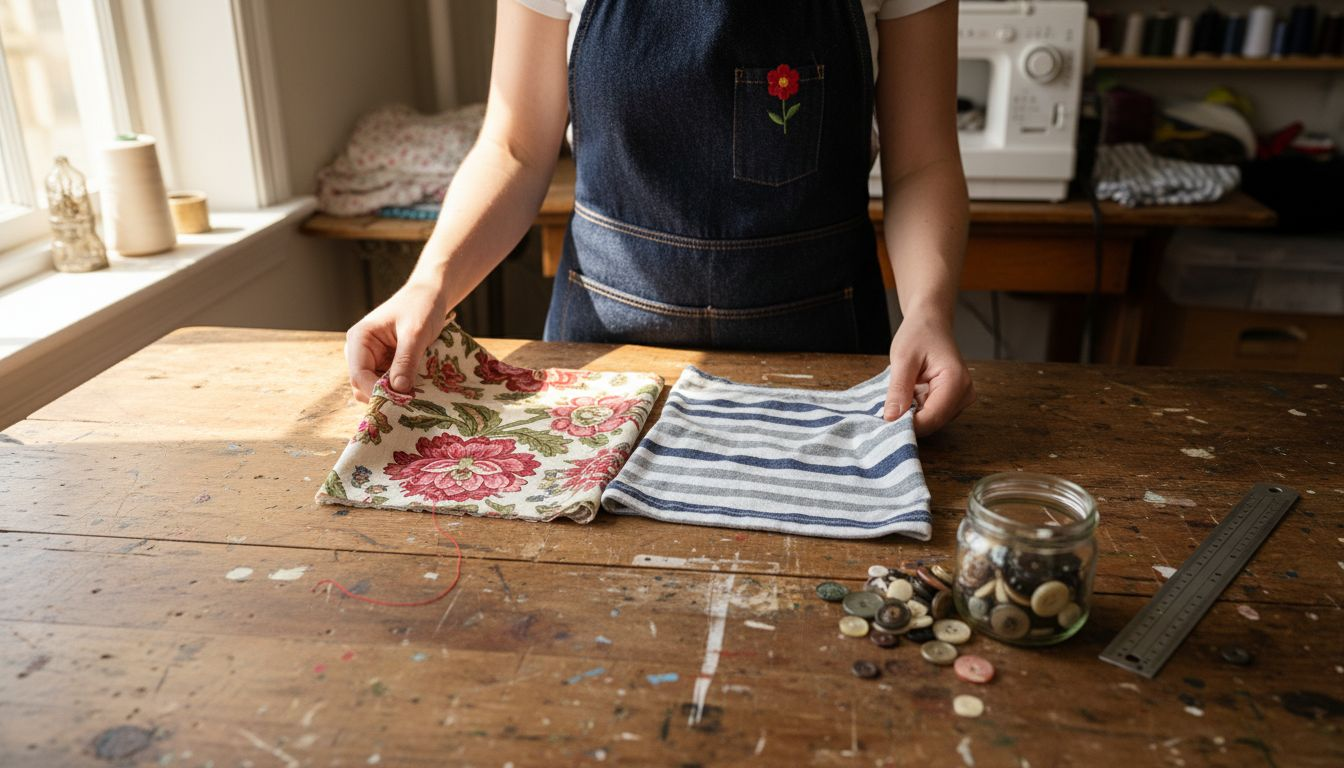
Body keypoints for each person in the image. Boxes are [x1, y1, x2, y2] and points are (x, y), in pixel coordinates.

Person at [346, 0, 975, 436]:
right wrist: (431, 281)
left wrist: (928, 311)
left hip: (825, 359)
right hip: (602, 353)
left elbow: (922, 161)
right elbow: (513, 147)